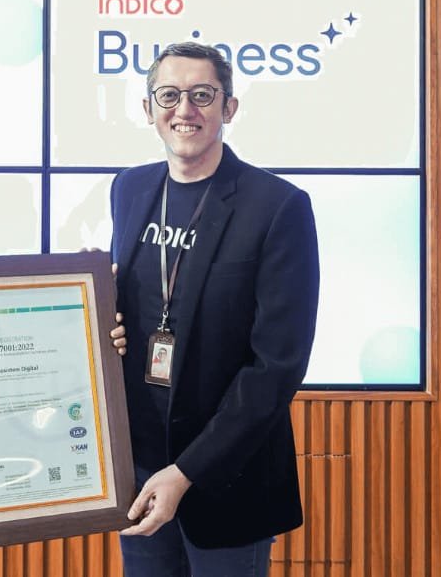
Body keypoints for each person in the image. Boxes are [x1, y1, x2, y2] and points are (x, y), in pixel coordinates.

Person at [108, 42, 320, 576]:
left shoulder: (278, 206)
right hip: (139, 470)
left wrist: (187, 472)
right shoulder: (129, 188)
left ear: (229, 107)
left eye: (202, 95)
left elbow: (276, 366)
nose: (185, 110)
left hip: (228, 478)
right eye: (169, 95)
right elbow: (129, 304)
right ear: (148, 108)